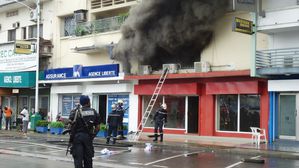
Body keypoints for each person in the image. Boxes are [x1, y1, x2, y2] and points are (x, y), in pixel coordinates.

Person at [68, 95, 100, 168]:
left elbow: (70, 125)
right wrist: (92, 136)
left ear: (81, 103)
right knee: (88, 159)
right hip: (88, 137)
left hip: (77, 137)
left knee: (78, 159)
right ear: (88, 102)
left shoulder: (75, 112)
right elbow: (98, 128)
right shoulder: (94, 112)